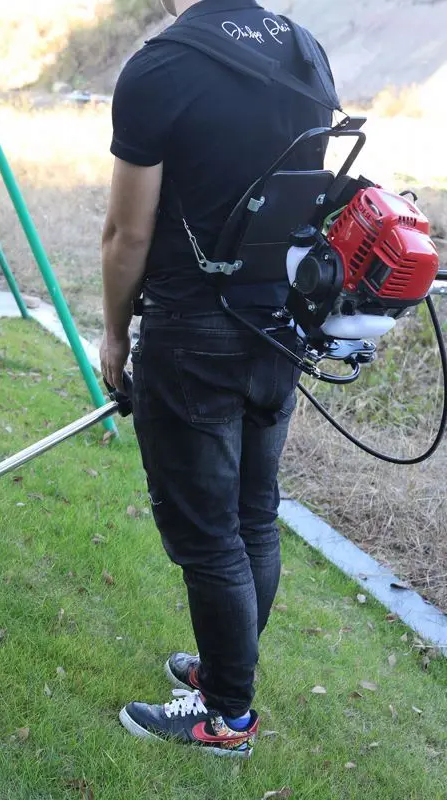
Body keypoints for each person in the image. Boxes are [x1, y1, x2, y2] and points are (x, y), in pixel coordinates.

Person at [100, 0, 335, 757]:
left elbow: (127, 233)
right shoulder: (305, 52)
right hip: (280, 326)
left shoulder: (162, 68)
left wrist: (113, 334)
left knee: (209, 540)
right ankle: (222, 676)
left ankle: (227, 717)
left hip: (194, 336)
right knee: (253, 516)